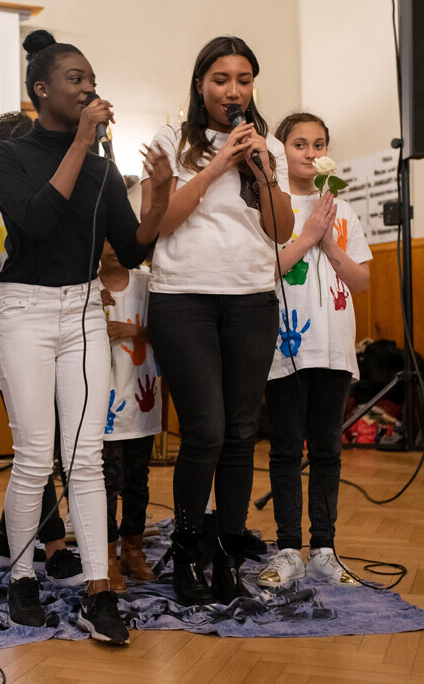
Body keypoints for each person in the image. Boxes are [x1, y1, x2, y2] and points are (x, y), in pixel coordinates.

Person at [0, 29, 171, 643]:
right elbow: (36, 221)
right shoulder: (7, 155)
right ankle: (21, 579)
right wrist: (85, 142)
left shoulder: (101, 168)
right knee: (36, 455)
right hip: (25, 310)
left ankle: (98, 590)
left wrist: (160, 196)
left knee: (85, 457)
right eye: (75, 78)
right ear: (41, 89)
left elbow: (132, 249)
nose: (89, 87)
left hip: (85, 309)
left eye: (92, 78)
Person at [141, 35, 294, 607]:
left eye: (244, 80)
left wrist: (262, 170)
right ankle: (187, 549)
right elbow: (160, 224)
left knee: (239, 433)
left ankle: (228, 551)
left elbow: (280, 229)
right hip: (183, 298)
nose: (234, 91)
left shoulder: (266, 145)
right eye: (221, 79)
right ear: (200, 84)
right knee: (204, 429)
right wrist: (216, 165)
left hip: (251, 298)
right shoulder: (171, 140)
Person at [0, 111, 83, 586]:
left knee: (53, 449)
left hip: (65, 347)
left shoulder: (60, 214)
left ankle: (5, 540)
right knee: (38, 453)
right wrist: (33, 288)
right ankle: (54, 549)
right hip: (15, 353)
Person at [258, 113, 371, 588]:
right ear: (280, 150)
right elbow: (263, 273)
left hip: (334, 346)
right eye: (299, 143)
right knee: (286, 449)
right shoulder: (270, 207)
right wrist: (306, 238)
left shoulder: (341, 210)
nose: (310, 152)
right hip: (287, 345)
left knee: (327, 450)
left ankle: (324, 547)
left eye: (318, 143)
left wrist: (330, 243)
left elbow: (362, 281)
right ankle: (288, 549)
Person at [98, 240, 162, 592]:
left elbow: (170, 332)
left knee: (138, 480)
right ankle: (106, 557)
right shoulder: (85, 286)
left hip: (141, 398)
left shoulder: (147, 283)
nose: (112, 247)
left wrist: (132, 330)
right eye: (104, 239)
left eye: (117, 237)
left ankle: (133, 551)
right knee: (106, 482)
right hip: (102, 402)